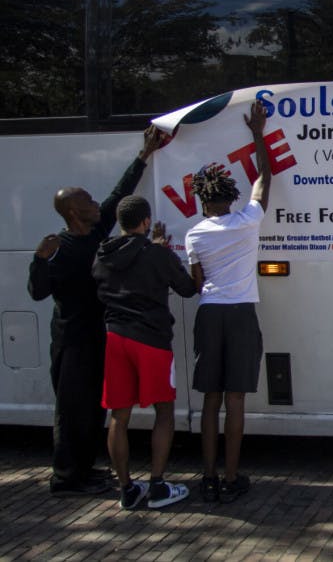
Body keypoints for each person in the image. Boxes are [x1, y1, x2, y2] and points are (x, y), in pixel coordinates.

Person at [28, 125, 165, 497]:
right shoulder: (60, 247)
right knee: (72, 410)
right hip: (72, 339)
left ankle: (86, 470)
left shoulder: (95, 232)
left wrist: (143, 156)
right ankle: (66, 477)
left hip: (96, 334)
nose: (95, 204)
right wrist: (38, 260)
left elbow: (119, 195)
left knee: (93, 407)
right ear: (74, 211)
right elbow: (37, 292)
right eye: (88, 201)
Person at [185, 100, 271, 504]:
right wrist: (258, 131)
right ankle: (233, 477)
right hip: (241, 315)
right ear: (231, 196)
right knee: (236, 399)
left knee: (210, 400)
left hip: (209, 314)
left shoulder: (194, 235)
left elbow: (197, 283)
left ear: (203, 201)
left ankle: (207, 477)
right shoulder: (249, 220)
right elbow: (264, 177)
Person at [92, 195, 198, 509]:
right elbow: (187, 289)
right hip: (151, 340)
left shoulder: (102, 254)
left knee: (118, 416)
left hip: (115, 338)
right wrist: (161, 251)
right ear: (146, 222)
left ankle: (127, 490)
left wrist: (149, 248)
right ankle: (157, 486)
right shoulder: (157, 254)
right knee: (164, 411)